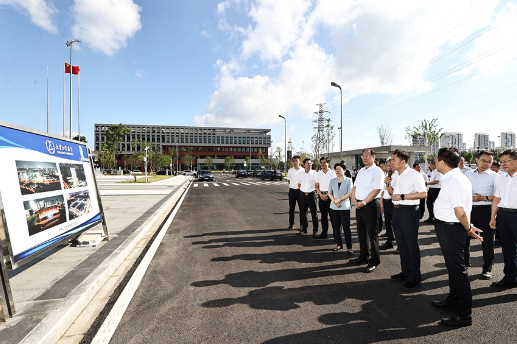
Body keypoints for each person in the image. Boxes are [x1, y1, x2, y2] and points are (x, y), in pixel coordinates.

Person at [431, 147, 482, 327]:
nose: (435, 162)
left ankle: (464, 314)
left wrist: (468, 227)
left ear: (443, 162)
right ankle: (453, 300)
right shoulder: (455, 178)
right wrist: (467, 225)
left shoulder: (454, 180)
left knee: (458, 270)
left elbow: (460, 211)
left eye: (436, 160)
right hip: (450, 228)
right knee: (453, 268)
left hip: (451, 229)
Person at [386, 149, 427, 290]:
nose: (391, 163)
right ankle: (406, 272)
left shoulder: (414, 175)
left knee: (411, 245)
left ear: (403, 162)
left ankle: (416, 278)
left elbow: (423, 194)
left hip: (409, 212)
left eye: (393, 160)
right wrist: (388, 185)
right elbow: (392, 194)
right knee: (401, 244)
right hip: (396, 211)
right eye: (391, 160)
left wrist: (402, 196)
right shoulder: (396, 174)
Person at [464, 151, 499, 279]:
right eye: (484, 160)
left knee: (487, 241)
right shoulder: (467, 174)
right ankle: (464, 264)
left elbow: (498, 197)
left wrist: (483, 198)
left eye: (489, 161)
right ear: (477, 160)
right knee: (464, 239)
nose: (486, 164)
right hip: (468, 211)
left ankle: (487, 268)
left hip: (485, 211)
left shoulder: (495, 177)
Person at [351, 148, 384, 273]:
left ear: (373, 157)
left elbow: (376, 190)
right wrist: (354, 200)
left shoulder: (377, 171)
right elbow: (355, 186)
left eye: (367, 156)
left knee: (372, 234)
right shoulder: (361, 171)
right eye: (363, 156)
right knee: (361, 232)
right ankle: (363, 256)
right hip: (359, 204)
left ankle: (374, 261)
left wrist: (363, 202)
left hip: (370, 205)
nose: (364, 158)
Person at [489, 149, 517, 288]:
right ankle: (510, 277)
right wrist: (493, 217)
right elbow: (497, 199)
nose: (503, 164)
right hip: (503, 216)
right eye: (502, 162)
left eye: (507, 161)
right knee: (507, 249)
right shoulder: (501, 178)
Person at [328, 161, 354, 255]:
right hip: (334, 206)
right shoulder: (332, 180)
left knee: (346, 227)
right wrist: (334, 201)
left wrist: (339, 200)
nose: (338, 171)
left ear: (344, 170)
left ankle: (349, 247)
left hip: (344, 206)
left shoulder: (348, 180)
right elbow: (329, 192)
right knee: (336, 226)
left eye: (340, 169)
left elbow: (350, 193)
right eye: (336, 169)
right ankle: (339, 244)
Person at [314, 157, 337, 239]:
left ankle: (336, 236)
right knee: (323, 216)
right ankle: (324, 233)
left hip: (331, 197)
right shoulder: (318, 173)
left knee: (333, 217)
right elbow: (316, 186)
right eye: (321, 162)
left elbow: (335, 186)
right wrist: (321, 195)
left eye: (324, 162)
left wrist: (327, 195)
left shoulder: (333, 173)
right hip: (321, 197)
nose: (322, 164)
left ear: (328, 163)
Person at [298, 158, 318, 236]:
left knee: (314, 213)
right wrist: (304, 190)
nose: (309, 165)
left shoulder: (315, 173)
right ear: (303, 165)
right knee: (303, 213)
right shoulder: (301, 173)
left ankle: (315, 230)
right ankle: (304, 228)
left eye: (310, 163)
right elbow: (299, 184)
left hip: (312, 195)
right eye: (307, 163)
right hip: (303, 195)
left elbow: (317, 185)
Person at [380, 158, 395, 250]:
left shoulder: (397, 176)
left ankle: (400, 245)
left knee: (397, 225)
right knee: (388, 223)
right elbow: (383, 191)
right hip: (386, 202)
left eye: (391, 165)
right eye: (388, 165)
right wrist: (382, 203)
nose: (389, 167)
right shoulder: (386, 176)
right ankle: (389, 241)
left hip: (394, 202)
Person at [286, 156, 303, 230]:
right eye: (293, 161)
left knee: (302, 209)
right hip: (292, 191)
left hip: (301, 192)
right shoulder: (290, 170)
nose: (295, 162)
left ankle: (302, 225)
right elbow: (289, 180)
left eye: (296, 161)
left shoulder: (303, 170)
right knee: (291, 209)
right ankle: (291, 224)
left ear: (300, 161)